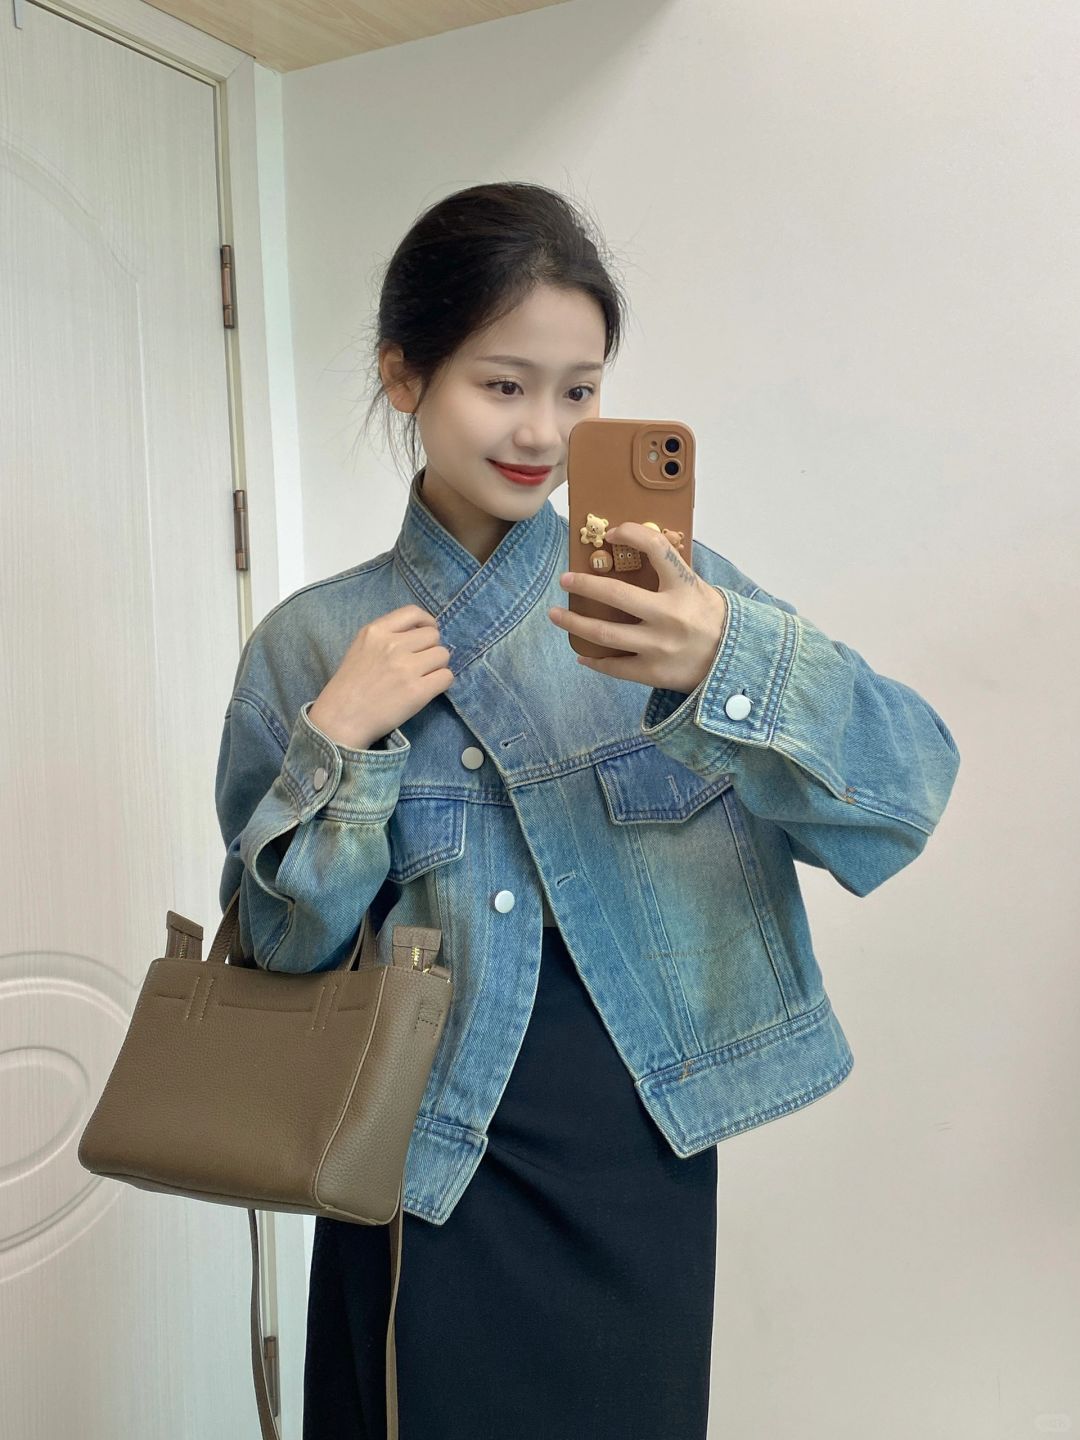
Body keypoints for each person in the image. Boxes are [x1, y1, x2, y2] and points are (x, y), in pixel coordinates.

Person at [213, 181, 961, 1440]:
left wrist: (723, 661)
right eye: (502, 384)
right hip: (422, 1155)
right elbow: (280, 953)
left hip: (639, 1145)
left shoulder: (681, 601)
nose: (542, 431)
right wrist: (339, 743)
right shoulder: (314, 642)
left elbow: (905, 800)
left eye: (579, 390)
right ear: (405, 376)